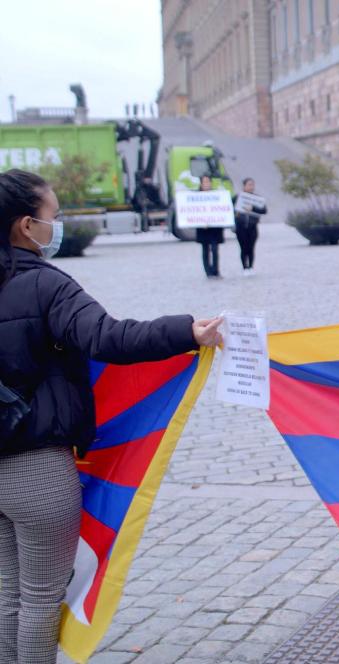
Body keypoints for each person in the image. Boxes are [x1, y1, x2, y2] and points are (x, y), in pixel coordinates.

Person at [0, 168, 224, 664]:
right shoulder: (45, 284)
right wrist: (187, 330)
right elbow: (110, 338)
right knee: (38, 597)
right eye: (52, 216)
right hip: (36, 470)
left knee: (6, 593)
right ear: (25, 226)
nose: (56, 225)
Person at [233, 178, 266, 276]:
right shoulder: (237, 198)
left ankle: (251, 267)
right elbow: (229, 208)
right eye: (249, 185)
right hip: (241, 227)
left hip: (252, 226)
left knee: (251, 247)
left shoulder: (256, 199)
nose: (251, 187)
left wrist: (253, 208)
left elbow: (264, 210)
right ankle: (244, 267)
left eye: (252, 185)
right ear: (244, 186)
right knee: (243, 247)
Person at [194, 175, 224, 279]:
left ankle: (216, 270)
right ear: (201, 184)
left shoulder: (217, 196)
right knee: (205, 250)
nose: (207, 184)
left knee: (215, 249)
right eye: (204, 182)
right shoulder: (195, 197)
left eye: (208, 182)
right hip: (203, 228)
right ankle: (208, 272)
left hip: (215, 228)